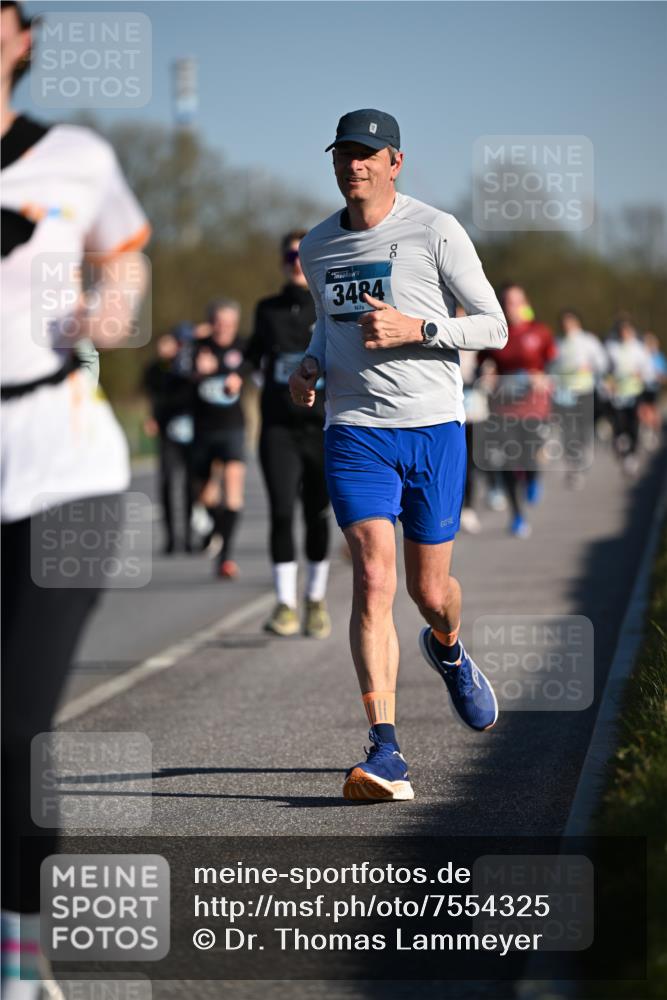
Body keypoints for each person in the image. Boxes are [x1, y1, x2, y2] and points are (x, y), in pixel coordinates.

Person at [289, 109, 507, 801]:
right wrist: (309, 363)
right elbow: (327, 326)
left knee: (429, 592)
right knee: (374, 580)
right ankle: (385, 752)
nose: (353, 164)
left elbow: (493, 326)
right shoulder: (317, 246)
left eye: (367, 154)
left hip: (433, 428)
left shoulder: (434, 229)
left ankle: (446, 648)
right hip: (353, 431)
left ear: (394, 163)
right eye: (343, 154)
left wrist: (421, 326)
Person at [0, 3, 150, 996]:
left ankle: (18, 953)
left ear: (20, 38)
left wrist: (116, 307)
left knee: (14, 725)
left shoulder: (75, 156)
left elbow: (128, 251)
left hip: (64, 467)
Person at [241, 230, 332, 638]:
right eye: (290, 254)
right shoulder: (267, 309)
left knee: (316, 514)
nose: (296, 261)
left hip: (322, 427)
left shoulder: (329, 303)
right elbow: (250, 356)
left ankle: (314, 600)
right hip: (278, 426)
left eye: (303, 254)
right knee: (281, 511)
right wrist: (235, 375)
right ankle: (285, 605)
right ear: (282, 261)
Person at [479, 285, 557, 538]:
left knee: (530, 449)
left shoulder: (540, 332)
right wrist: (488, 375)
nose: (512, 307)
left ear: (525, 303)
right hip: (504, 405)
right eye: (507, 302)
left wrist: (544, 377)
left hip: (534, 404)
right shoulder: (495, 333)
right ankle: (517, 516)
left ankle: (533, 478)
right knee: (508, 459)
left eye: (516, 301)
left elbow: (553, 362)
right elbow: (484, 363)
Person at [191, 299, 246, 578]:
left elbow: (252, 370)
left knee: (232, 492)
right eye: (218, 321)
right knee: (204, 494)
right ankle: (216, 527)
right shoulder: (197, 348)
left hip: (232, 426)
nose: (222, 327)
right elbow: (177, 379)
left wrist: (236, 376)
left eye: (228, 323)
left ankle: (225, 558)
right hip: (203, 429)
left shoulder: (242, 347)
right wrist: (196, 371)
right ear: (210, 322)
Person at [143, 330, 195, 553]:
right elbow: (154, 397)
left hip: (192, 430)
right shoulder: (154, 370)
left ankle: (191, 536)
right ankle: (171, 538)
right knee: (167, 482)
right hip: (167, 430)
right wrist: (152, 417)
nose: (162, 349)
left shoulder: (188, 366)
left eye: (168, 344)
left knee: (191, 485)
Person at [551, 309, 607, 489]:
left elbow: (602, 362)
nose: (566, 326)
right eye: (564, 323)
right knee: (567, 429)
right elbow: (551, 366)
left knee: (583, 428)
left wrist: (589, 366)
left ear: (577, 323)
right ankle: (573, 467)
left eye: (570, 322)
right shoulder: (557, 343)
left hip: (584, 390)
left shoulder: (588, 341)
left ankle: (582, 454)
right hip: (564, 393)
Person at [605, 318, 654, 477]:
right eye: (621, 331)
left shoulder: (639, 349)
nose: (624, 334)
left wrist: (641, 374)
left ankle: (631, 454)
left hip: (634, 391)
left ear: (632, 332)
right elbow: (606, 370)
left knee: (633, 423)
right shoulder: (612, 349)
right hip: (618, 393)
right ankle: (622, 444)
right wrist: (609, 382)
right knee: (619, 422)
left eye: (627, 331)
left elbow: (648, 370)